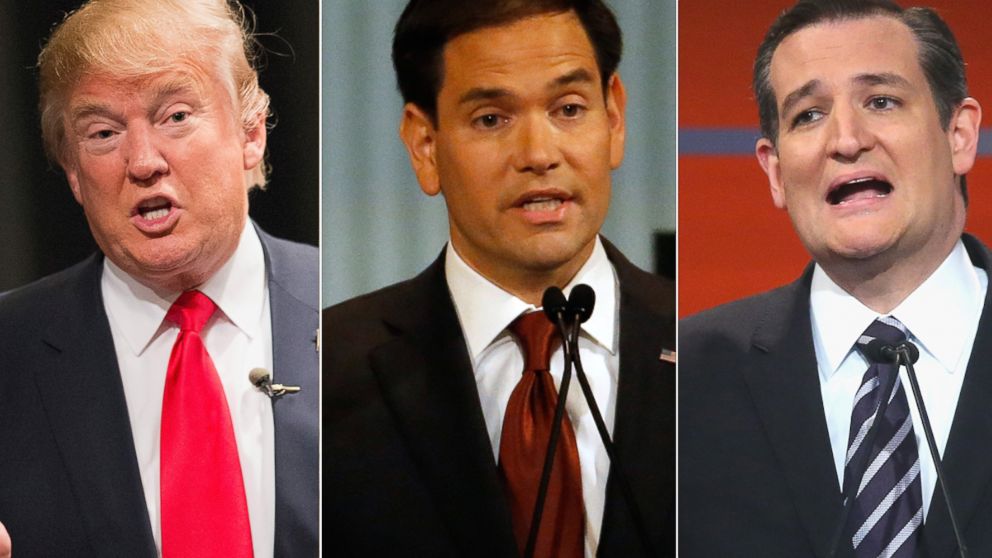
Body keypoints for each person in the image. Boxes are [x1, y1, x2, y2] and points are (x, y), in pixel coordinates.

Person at [323, 0, 675, 557]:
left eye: (568, 108)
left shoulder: (707, 350)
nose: (539, 154)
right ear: (425, 146)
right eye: (492, 119)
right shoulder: (327, 371)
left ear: (614, 117)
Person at [0, 0, 318, 556]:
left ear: (251, 134)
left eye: (175, 116)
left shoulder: (351, 311)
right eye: (102, 133)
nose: (143, 161)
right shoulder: (9, 348)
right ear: (73, 173)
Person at [679, 0, 991, 556]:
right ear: (775, 171)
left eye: (882, 101)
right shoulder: (688, 383)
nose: (846, 140)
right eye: (809, 115)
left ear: (960, 135)